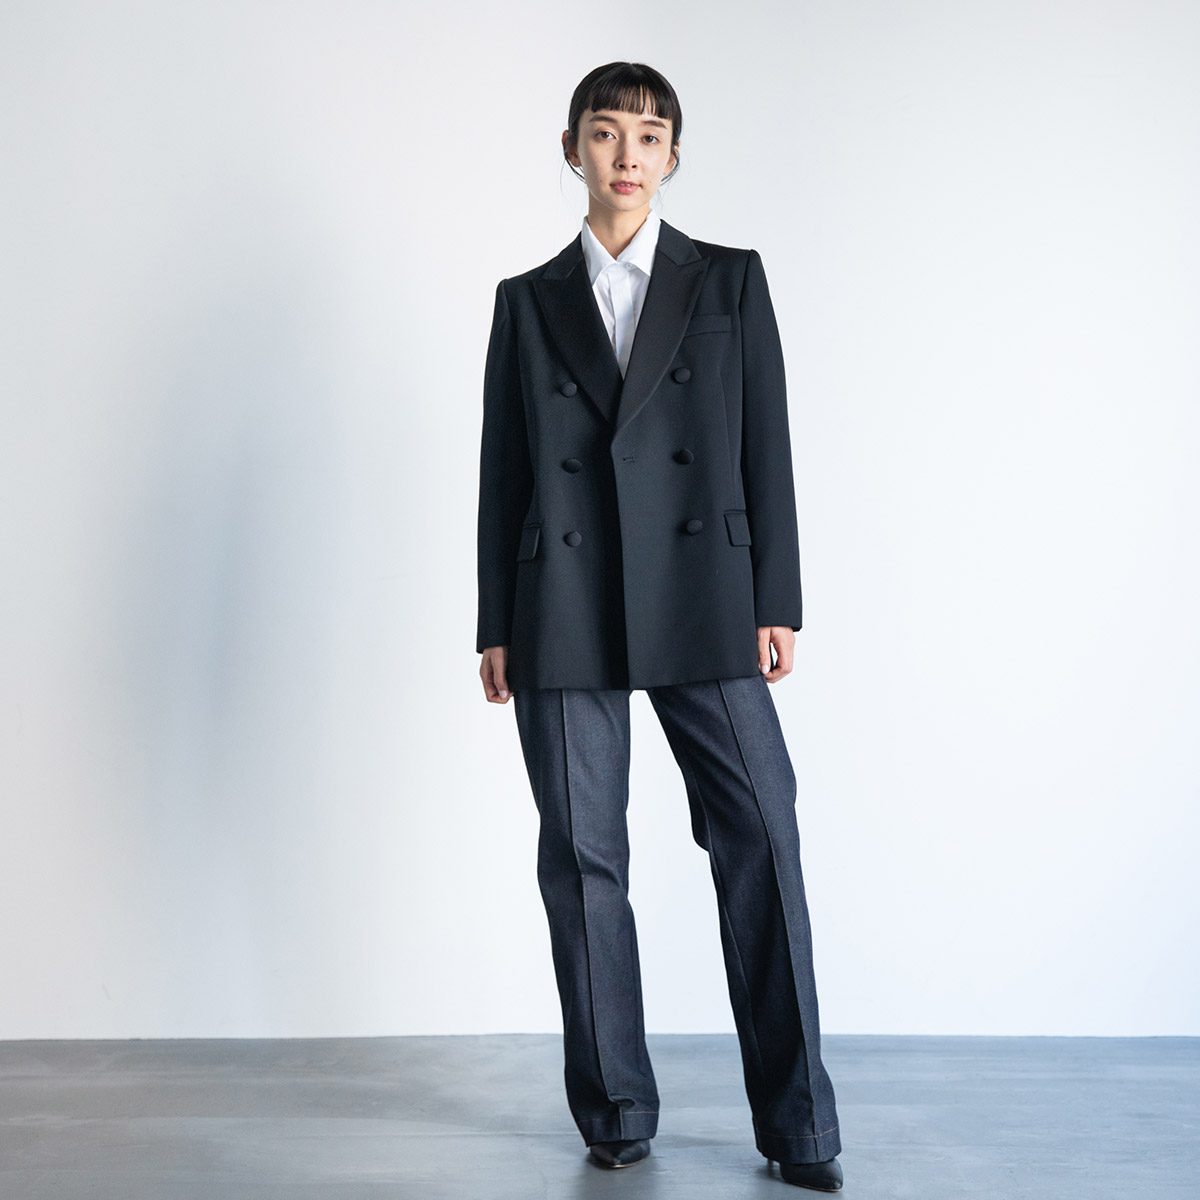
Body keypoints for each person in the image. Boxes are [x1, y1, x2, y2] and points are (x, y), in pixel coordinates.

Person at [475, 61, 843, 1193]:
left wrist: (776, 599)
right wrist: (495, 621)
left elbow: (767, 444)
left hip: (705, 592)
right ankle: (617, 1110)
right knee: (584, 857)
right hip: (563, 596)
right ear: (572, 150)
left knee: (763, 833)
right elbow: (504, 472)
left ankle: (800, 1125)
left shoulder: (729, 280)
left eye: (648, 136)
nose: (627, 155)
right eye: (605, 132)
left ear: (673, 156)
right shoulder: (527, 300)